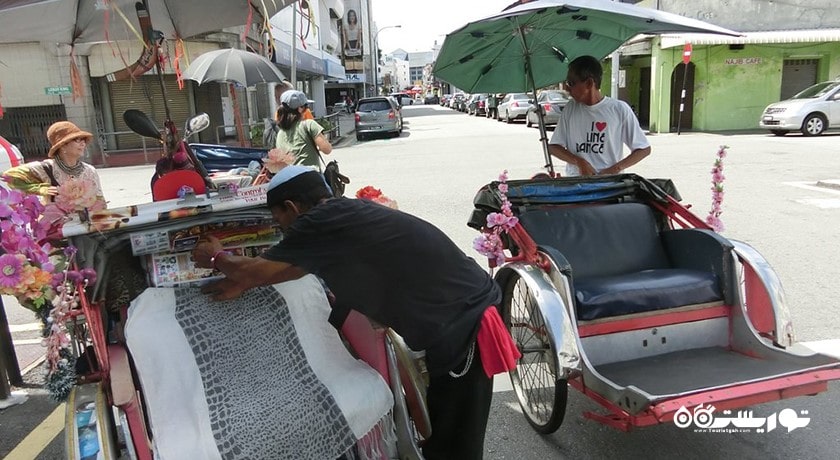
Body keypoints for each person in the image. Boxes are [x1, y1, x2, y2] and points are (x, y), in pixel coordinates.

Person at [192, 165, 520, 460]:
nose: (282, 230)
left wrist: (217, 257)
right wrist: (247, 280)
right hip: (462, 315)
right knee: (446, 430)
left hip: (464, 327)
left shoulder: (317, 223)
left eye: (279, 221)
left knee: (456, 443)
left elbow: (263, 270)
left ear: (292, 208)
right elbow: (291, 268)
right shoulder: (339, 214)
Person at [548, 55, 651, 176]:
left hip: (609, 185)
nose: (567, 89)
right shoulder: (570, 108)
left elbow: (643, 149)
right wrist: (579, 162)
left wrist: (615, 169)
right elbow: (554, 147)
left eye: (571, 83)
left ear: (589, 83)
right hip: (577, 184)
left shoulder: (619, 109)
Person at [3, 121, 106, 211]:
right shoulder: (45, 168)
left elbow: (101, 202)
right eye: (77, 140)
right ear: (62, 146)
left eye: (83, 140)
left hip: (85, 227)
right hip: (56, 228)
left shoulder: (90, 170)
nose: (83, 144)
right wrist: (39, 188)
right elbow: (9, 176)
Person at [271, 90, 332, 169]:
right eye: (306, 107)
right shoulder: (309, 125)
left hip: (289, 177)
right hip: (310, 176)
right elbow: (327, 150)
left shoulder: (280, 133)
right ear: (300, 108)